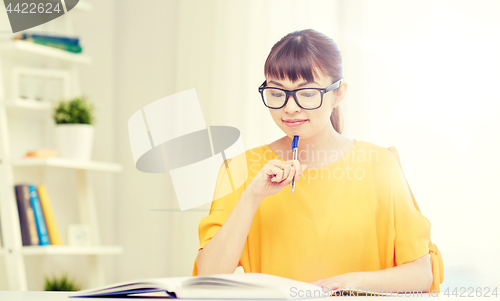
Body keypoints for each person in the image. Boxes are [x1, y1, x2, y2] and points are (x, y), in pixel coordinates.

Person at [192, 29, 443, 293]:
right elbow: (207, 278)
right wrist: (252, 196)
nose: (290, 108)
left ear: (338, 93)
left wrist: (347, 283)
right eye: (277, 93)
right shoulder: (241, 170)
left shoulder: (379, 164)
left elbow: (420, 273)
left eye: (307, 93)